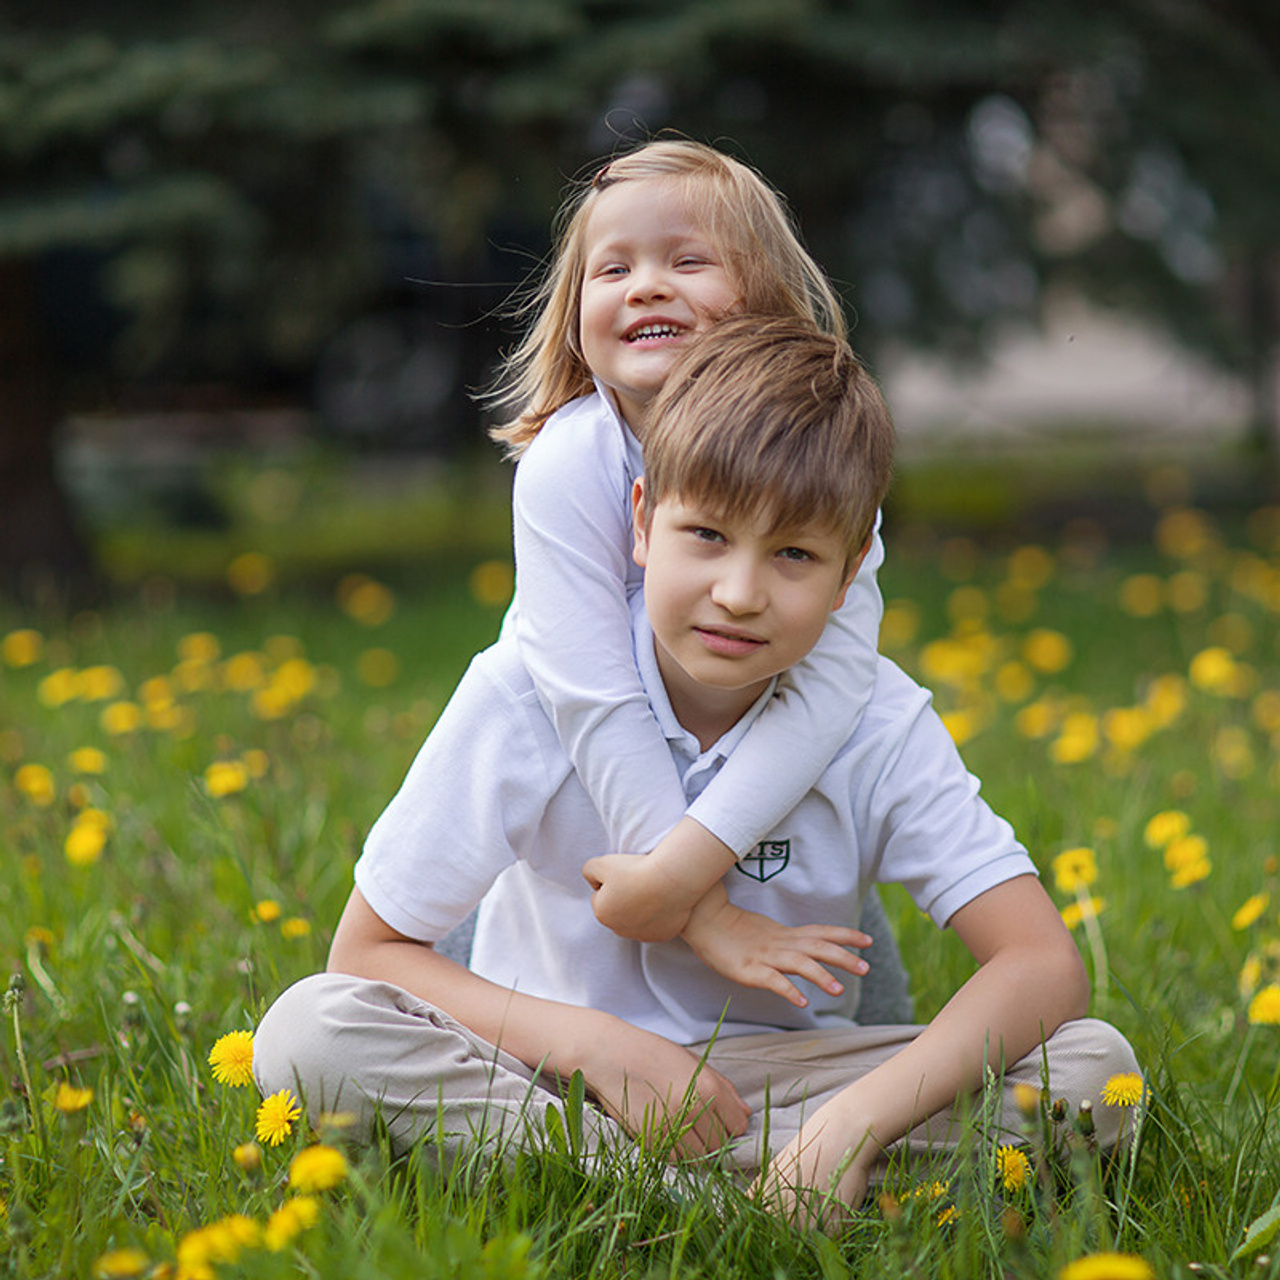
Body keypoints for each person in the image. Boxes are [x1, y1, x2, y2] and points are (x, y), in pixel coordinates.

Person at [254, 317, 1140, 1222]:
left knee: (1093, 1069)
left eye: (793, 554)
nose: (740, 592)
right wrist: (593, 1046)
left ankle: (730, 1184)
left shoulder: (876, 721)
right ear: (641, 520)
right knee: (306, 1035)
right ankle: (714, 1208)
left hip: (777, 1090)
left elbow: (1040, 961)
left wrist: (853, 1124)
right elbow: (367, 954)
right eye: (708, 535)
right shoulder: (529, 690)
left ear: (847, 581)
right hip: (542, 1076)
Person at [487, 139, 886, 954]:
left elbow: (834, 687)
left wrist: (697, 867)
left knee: (829, 942)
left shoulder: (818, 467)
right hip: (584, 815)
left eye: (689, 260)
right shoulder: (571, 462)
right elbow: (590, 697)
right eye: (612, 270)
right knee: (508, 975)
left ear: (767, 297)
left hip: (765, 803)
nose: (647, 286)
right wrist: (692, 905)